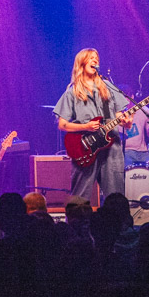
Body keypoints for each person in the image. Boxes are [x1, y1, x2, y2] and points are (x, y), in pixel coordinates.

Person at [54, 48, 133, 203]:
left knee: (115, 196)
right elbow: (62, 124)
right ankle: (77, 225)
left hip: (111, 148)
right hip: (85, 147)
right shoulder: (73, 91)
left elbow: (118, 115)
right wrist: (86, 127)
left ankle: (116, 225)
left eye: (96, 57)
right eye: (90, 58)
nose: (95, 60)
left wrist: (126, 121)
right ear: (81, 63)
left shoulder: (108, 86)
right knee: (80, 197)